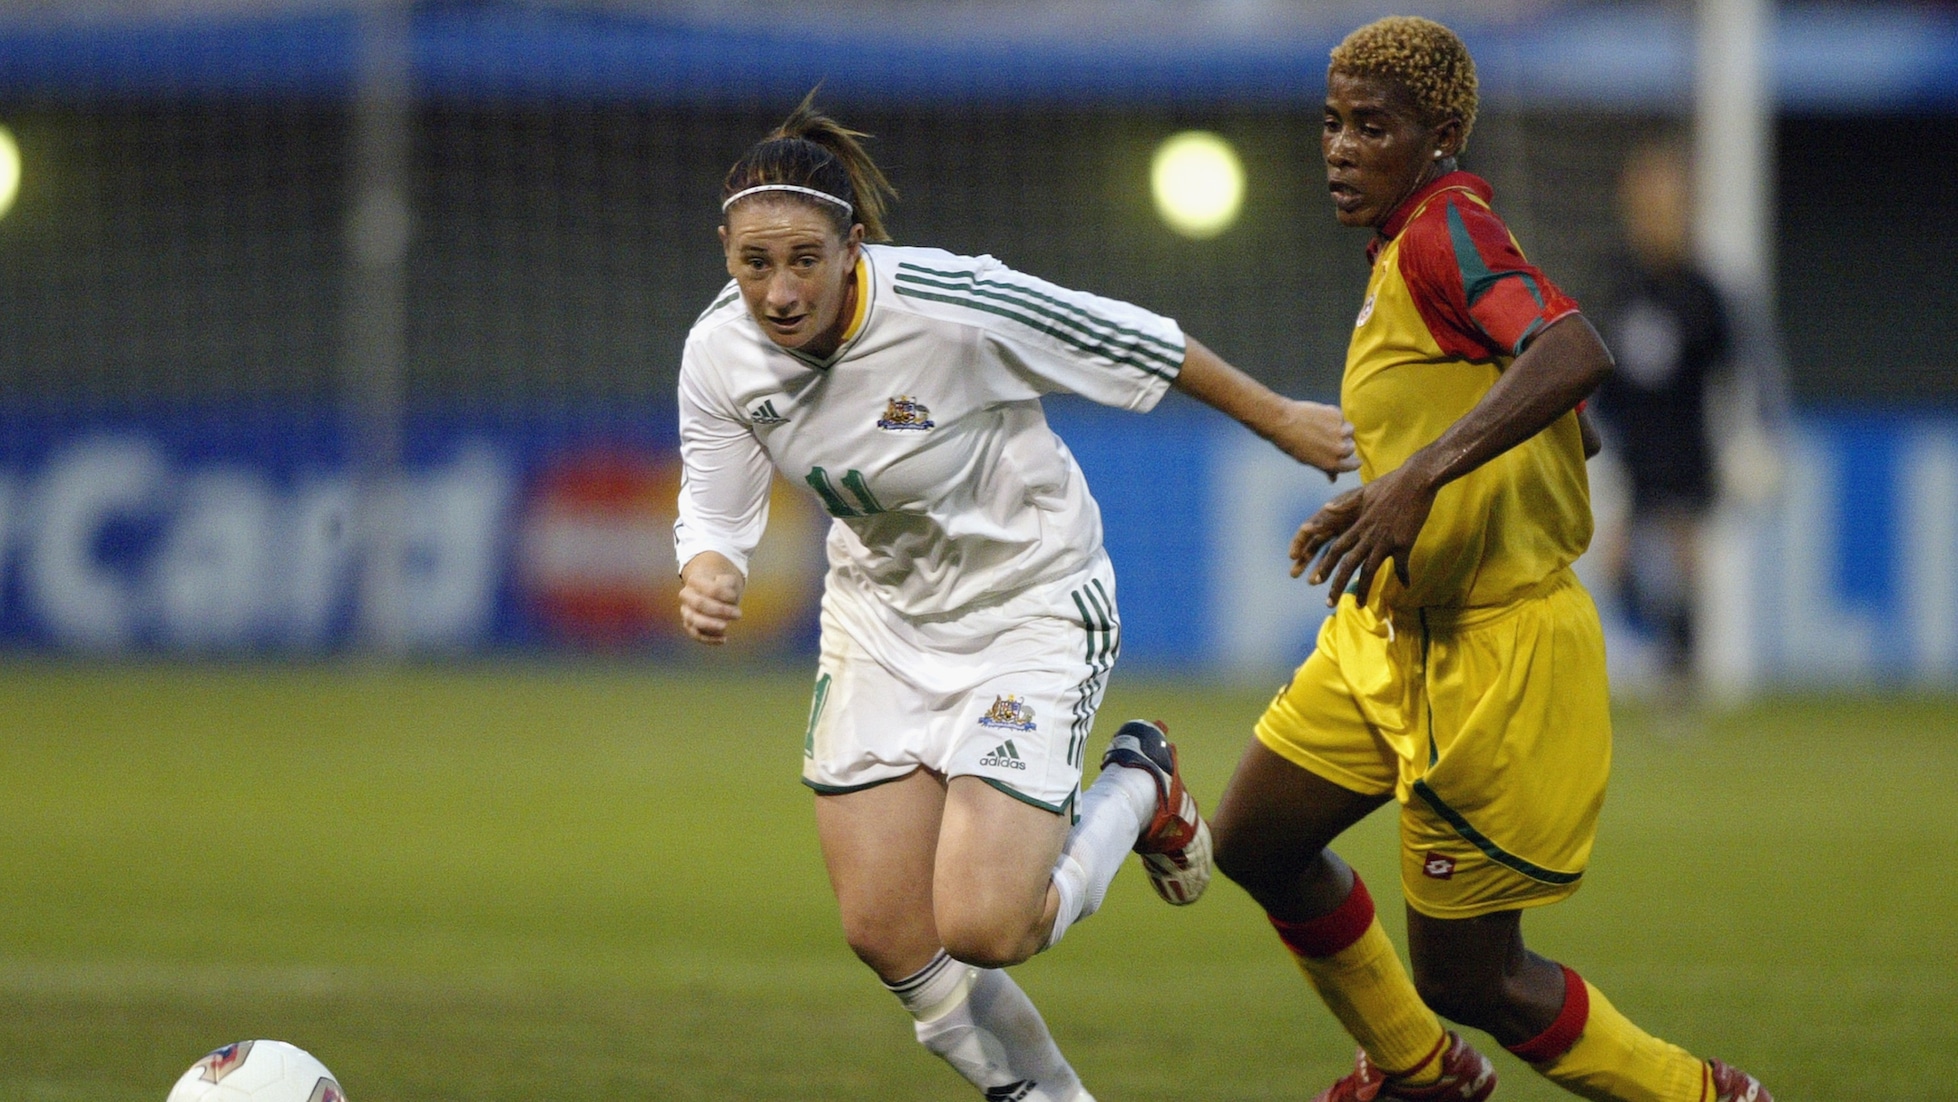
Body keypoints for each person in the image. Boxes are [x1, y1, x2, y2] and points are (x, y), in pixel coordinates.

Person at [673, 94, 1357, 1102]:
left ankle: (1138, 787)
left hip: (1026, 610)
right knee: (883, 929)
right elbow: (715, 500)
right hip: (879, 622)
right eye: (753, 263)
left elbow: (1131, 337)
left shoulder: (950, 306)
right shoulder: (718, 350)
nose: (777, 291)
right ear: (725, 254)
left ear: (851, 246)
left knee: (988, 924)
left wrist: (1277, 417)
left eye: (803, 259)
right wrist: (709, 564)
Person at [1206, 18, 1772, 1102]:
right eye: (1330, 122)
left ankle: (1710, 1095)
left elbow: (1571, 350)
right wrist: (1415, 480)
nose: (1338, 146)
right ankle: (1418, 1074)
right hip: (1385, 636)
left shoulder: (1444, 230)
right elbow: (1551, 392)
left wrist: (1415, 481)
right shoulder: (1401, 248)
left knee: (1475, 975)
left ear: (1440, 136)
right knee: (1253, 841)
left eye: (1371, 125)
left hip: (1492, 656)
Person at [1594, 141, 1731, 686]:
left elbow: (1736, 370)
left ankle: (1681, 671)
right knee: (1617, 565)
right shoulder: (1617, 285)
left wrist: (1749, 438)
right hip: (1621, 447)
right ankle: (1650, 653)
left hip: (1684, 451)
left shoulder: (1704, 292)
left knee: (1681, 560)